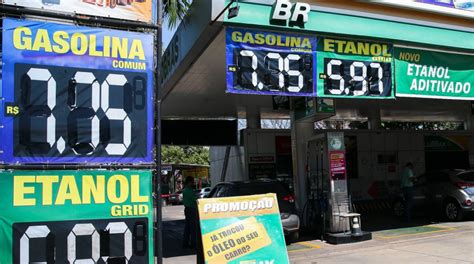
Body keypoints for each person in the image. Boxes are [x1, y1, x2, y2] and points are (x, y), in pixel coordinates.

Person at [182, 176, 197, 248]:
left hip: (187, 209)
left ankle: (185, 242)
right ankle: (193, 243)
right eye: (192, 182)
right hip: (192, 209)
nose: (193, 183)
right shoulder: (189, 191)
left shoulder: (185, 190)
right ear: (189, 182)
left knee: (187, 227)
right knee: (192, 227)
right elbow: (195, 199)